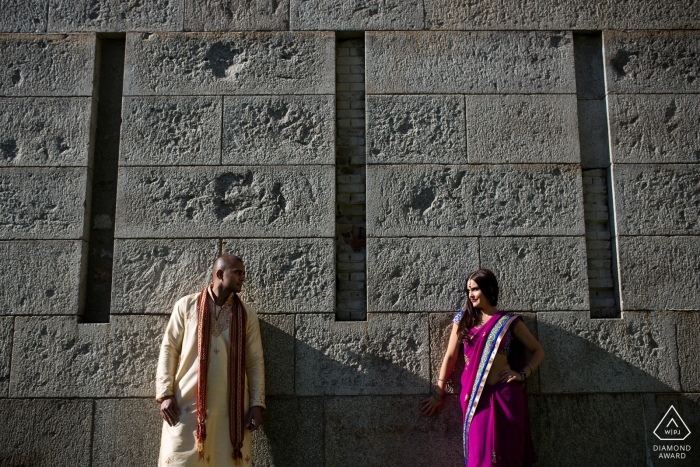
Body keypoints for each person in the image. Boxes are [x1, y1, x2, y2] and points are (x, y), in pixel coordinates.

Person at [421, 268, 544, 466]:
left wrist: (522, 374)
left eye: (475, 289)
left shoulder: (508, 322)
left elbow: (538, 351)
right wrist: (438, 393)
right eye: (468, 290)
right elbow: (451, 356)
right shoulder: (464, 320)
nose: (471, 294)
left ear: (489, 288)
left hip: (507, 396)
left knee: (510, 454)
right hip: (476, 399)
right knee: (480, 456)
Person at [156, 255, 265, 466]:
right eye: (238, 272)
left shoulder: (247, 315)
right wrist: (165, 393)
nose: (243, 277)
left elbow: (254, 361)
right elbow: (169, 349)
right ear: (219, 274)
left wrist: (256, 404)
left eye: (243, 272)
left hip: (231, 411)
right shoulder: (186, 306)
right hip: (186, 406)